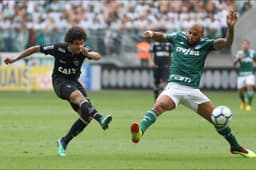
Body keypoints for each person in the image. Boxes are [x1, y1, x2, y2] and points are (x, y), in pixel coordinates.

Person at [130, 10, 256, 158]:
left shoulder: (206, 44)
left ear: (202, 35)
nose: (191, 36)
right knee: (159, 106)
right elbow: (162, 37)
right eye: (190, 32)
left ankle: (235, 147)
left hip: (193, 91)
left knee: (218, 119)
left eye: (195, 34)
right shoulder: (178, 37)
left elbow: (227, 43)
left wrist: (230, 28)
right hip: (174, 88)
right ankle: (140, 131)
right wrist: (151, 33)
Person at [4, 26, 112, 157]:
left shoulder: (83, 51)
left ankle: (64, 141)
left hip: (74, 83)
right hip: (60, 83)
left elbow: (97, 56)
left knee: (86, 117)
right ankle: (100, 118)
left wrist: (88, 54)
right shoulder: (58, 48)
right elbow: (34, 49)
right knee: (78, 96)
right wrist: (15, 59)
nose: (80, 46)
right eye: (77, 44)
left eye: (82, 43)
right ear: (69, 43)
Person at [148, 29, 173, 100]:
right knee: (157, 82)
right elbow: (150, 53)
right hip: (157, 64)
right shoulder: (154, 43)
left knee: (165, 81)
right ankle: (156, 95)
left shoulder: (168, 43)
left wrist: (171, 63)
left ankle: (163, 98)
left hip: (166, 65)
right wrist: (151, 62)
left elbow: (171, 54)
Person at [233, 40, 256, 111]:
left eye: (246, 44)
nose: (245, 46)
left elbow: (255, 61)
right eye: (244, 44)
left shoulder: (252, 53)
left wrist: (255, 64)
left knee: (249, 87)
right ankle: (244, 102)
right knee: (240, 91)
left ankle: (249, 104)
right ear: (242, 45)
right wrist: (239, 58)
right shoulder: (239, 53)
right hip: (241, 74)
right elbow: (234, 63)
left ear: (248, 45)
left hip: (250, 73)